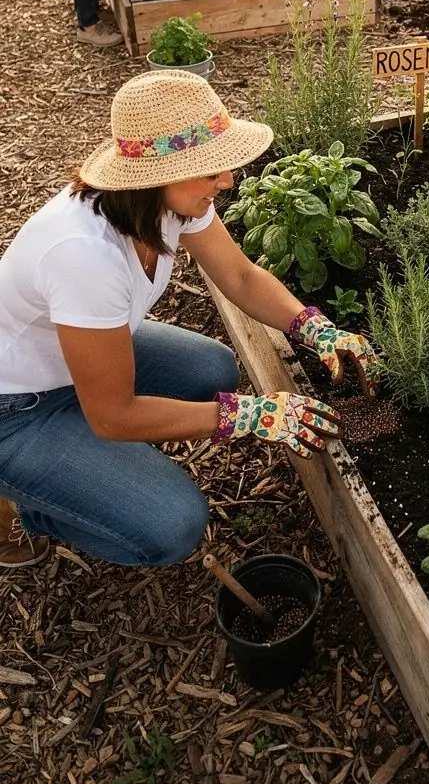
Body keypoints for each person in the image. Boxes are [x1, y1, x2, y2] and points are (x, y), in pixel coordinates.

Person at [0, 70, 379, 571]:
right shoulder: (83, 255)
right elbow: (112, 416)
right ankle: (28, 508)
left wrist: (313, 327)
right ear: (157, 175)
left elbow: (241, 277)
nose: (228, 180)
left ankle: (86, 468)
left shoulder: (167, 204)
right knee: (173, 525)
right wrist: (247, 415)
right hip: (16, 408)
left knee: (212, 370)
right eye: (211, 169)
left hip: (75, 366)